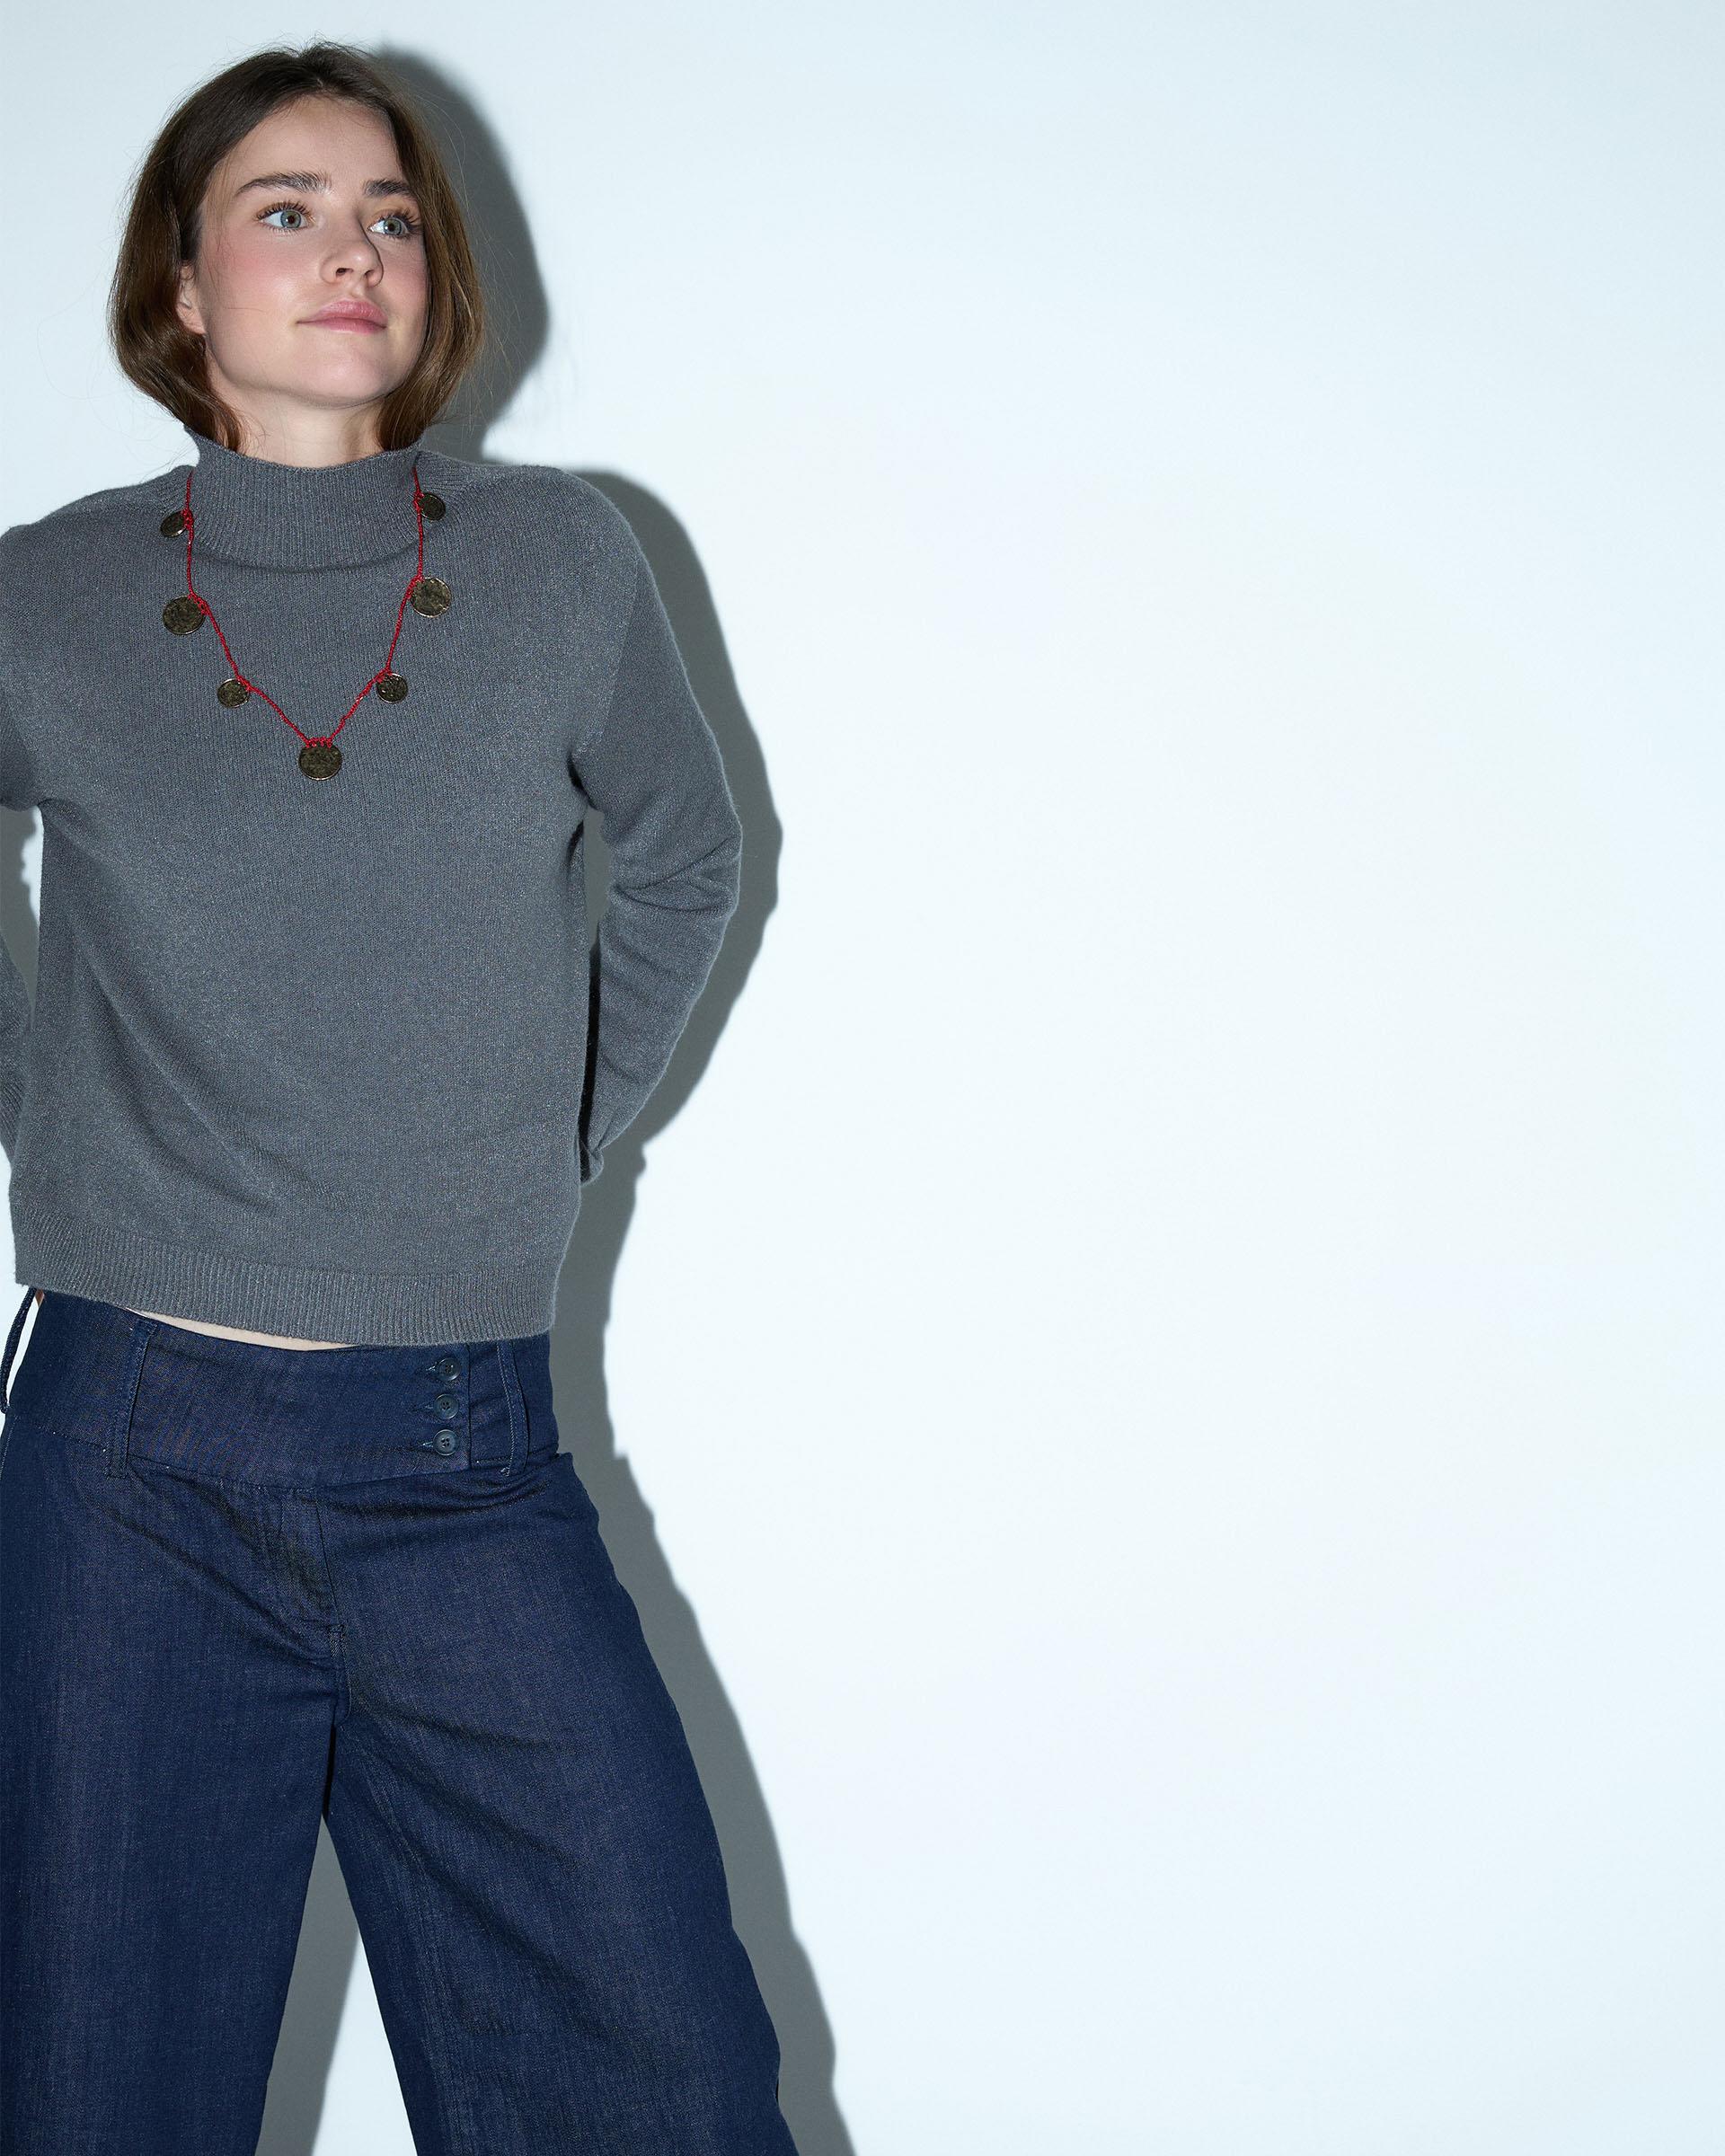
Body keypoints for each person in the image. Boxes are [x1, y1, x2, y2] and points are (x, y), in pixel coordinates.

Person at [0, 40, 797, 2155]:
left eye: (389, 217)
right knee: (100, 2093)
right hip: (129, 1468)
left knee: (659, 2083)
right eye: (286, 210)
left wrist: (554, 1129)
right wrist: (41, 1108)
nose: (352, 250)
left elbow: (691, 854)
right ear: (183, 287)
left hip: (465, 1457)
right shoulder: (44, 599)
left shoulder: (561, 565)